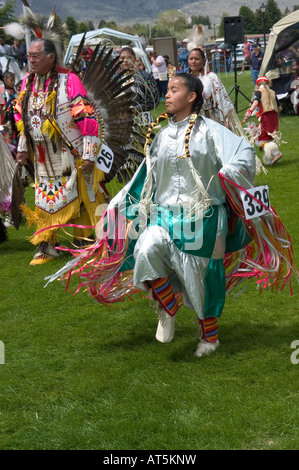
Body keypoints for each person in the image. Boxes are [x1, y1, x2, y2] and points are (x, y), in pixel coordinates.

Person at [14, 38, 106, 265]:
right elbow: (23, 118)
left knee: (80, 196)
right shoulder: (28, 82)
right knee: (44, 196)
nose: (31, 60)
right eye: (29, 56)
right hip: (43, 155)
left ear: (51, 57)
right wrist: (23, 148)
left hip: (71, 151)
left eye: (36, 56)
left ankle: (84, 242)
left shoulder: (69, 81)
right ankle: (46, 245)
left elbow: (87, 118)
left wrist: (89, 154)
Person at [118, 47, 159, 181]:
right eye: (121, 58)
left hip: (142, 126)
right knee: (127, 164)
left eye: (127, 57)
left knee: (144, 160)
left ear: (135, 59)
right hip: (123, 128)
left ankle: (148, 188)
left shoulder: (144, 76)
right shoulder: (117, 79)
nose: (124, 61)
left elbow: (155, 100)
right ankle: (128, 193)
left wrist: (136, 109)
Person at [187, 48, 242, 132]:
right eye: (191, 59)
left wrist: (226, 120)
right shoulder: (185, 79)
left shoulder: (212, 77)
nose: (193, 61)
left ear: (204, 61)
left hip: (211, 120)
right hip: (191, 121)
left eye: (197, 59)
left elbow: (222, 99)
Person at [243, 76, 283, 165]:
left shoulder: (258, 92)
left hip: (266, 118)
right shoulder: (273, 92)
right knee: (268, 138)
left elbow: (256, 102)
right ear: (268, 83)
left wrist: (248, 113)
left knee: (259, 140)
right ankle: (268, 160)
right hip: (274, 118)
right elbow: (279, 108)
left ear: (257, 85)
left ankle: (276, 153)